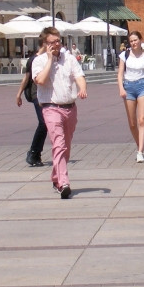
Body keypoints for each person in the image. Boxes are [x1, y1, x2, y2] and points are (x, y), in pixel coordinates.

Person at [33, 26, 88, 199]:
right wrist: (50, 60)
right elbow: (40, 81)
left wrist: (82, 88)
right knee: (59, 144)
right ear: (45, 44)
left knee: (66, 147)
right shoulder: (39, 61)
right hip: (51, 107)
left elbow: (79, 76)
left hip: (69, 107)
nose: (57, 44)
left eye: (58, 41)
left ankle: (56, 177)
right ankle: (64, 183)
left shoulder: (69, 58)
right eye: (53, 42)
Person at [117, 31, 144, 162]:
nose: (134, 43)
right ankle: (139, 144)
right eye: (131, 41)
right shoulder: (124, 55)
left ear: (140, 40)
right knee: (132, 123)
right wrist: (121, 88)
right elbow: (120, 74)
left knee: (142, 119)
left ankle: (140, 151)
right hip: (128, 87)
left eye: (135, 40)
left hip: (142, 86)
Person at [16, 38, 47, 167]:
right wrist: (19, 94)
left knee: (45, 124)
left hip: (46, 95)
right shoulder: (34, 59)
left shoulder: (49, 58)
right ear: (44, 43)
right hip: (36, 94)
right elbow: (27, 77)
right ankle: (33, 152)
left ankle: (36, 154)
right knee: (43, 122)